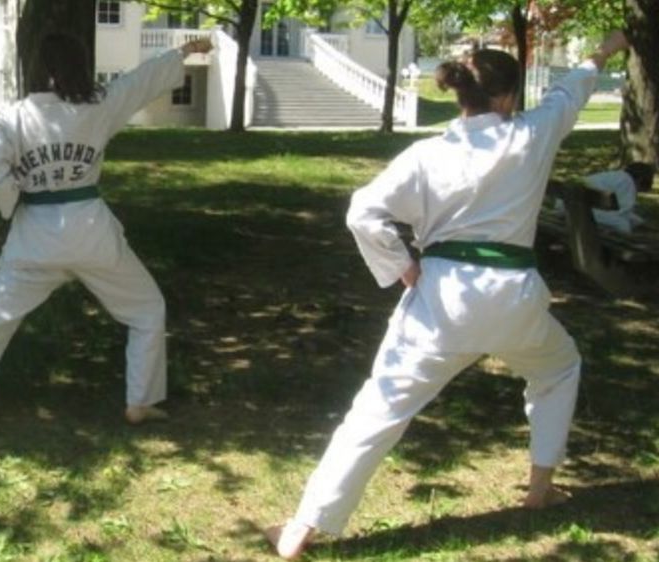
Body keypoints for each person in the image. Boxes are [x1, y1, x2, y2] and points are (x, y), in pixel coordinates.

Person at [265, 31, 632, 559]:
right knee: (558, 367)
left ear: (462, 94)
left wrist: (402, 267)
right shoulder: (531, 135)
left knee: (378, 409)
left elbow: (362, 213)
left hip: (443, 302)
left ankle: (302, 529)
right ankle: (540, 488)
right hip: (516, 301)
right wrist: (606, 48)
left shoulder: (427, 154)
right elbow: (570, 89)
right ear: (508, 97)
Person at [0, 34, 213, 434]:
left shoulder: (15, 116)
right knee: (146, 309)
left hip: (34, 239)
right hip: (91, 235)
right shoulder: (99, 105)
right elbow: (140, 81)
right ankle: (140, 402)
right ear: (80, 66)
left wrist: (14, 194)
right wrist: (185, 51)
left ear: (38, 68)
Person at [555, 162, 655, 234]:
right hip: (579, 210)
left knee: (617, 220)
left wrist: (639, 221)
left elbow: (619, 209)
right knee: (623, 225)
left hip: (565, 205)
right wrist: (636, 223)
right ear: (640, 180)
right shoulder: (628, 182)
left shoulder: (615, 176)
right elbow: (623, 211)